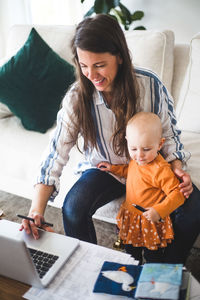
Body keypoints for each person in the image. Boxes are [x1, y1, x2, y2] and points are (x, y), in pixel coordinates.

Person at [20, 14, 199, 264]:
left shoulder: (150, 85)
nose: (91, 74)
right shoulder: (76, 97)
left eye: (99, 65)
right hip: (106, 169)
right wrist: (35, 210)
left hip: (150, 167)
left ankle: (165, 268)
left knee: (193, 209)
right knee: (72, 208)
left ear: (120, 56)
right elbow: (55, 154)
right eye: (84, 65)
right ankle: (88, 268)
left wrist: (178, 169)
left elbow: (169, 137)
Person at [97, 112, 185, 263]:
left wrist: (159, 211)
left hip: (150, 219)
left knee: (152, 256)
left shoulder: (160, 169)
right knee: (130, 253)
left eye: (146, 149)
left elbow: (177, 194)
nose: (139, 155)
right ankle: (133, 273)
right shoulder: (136, 161)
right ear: (128, 142)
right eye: (134, 149)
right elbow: (130, 172)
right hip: (131, 217)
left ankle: (150, 279)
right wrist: (113, 168)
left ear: (160, 144)